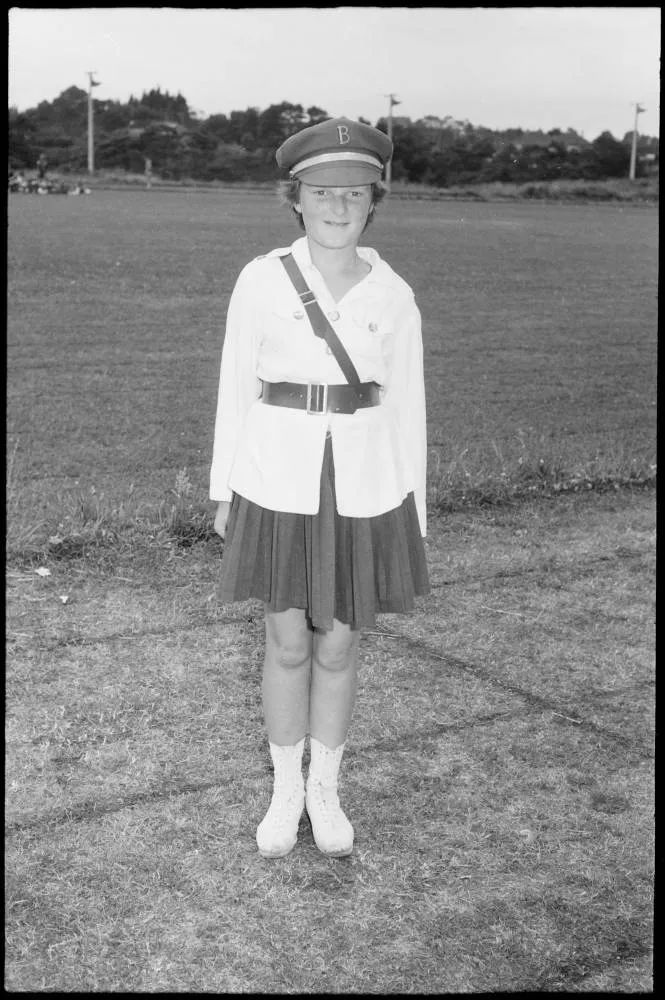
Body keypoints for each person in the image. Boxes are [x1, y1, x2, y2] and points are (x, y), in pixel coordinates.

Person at [210, 116, 429, 860]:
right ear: (294, 197)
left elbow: (407, 408)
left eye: (355, 192)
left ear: (375, 199)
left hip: (364, 484)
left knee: (338, 645)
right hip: (276, 478)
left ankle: (326, 789)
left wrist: (414, 509)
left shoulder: (394, 293)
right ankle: (283, 789)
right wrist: (221, 489)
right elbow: (235, 385)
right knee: (285, 640)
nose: (338, 206)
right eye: (321, 191)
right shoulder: (260, 277)